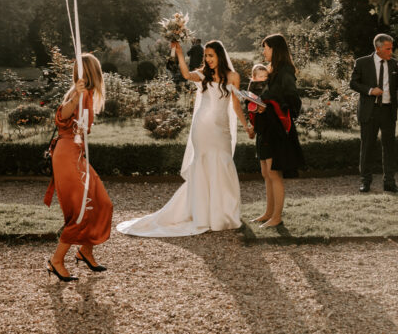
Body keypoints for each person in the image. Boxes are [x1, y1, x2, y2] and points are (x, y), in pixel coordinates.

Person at [117, 39, 250, 236]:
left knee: (222, 163)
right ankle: (202, 214)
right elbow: (186, 75)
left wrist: (247, 126)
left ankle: (223, 213)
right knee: (203, 165)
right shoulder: (203, 74)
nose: (208, 59)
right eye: (206, 56)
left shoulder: (233, 76)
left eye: (211, 56)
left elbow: (236, 105)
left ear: (220, 56)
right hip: (202, 128)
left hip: (221, 129)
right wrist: (179, 53)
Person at [43, 53, 112, 280]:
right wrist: (76, 97)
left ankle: (85, 251)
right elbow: (61, 117)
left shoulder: (89, 94)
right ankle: (56, 260)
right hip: (66, 154)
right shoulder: (78, 92)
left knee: (102, 203)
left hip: (77, 154)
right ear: (94, 72)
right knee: (81, 210)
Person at [251, 34, 304, 226]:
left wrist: (271, 104)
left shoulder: (286, 71)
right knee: (266, 172)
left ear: (275, 49)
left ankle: (277, 217)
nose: (263, 51)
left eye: (265, 47)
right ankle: (268, 213)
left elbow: (293, 100)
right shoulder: (270, 70)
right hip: (265, 126)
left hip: (277, 129)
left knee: (274, 173)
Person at [349, 33, 398, 192]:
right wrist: (369, 90)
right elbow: (353, 83)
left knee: (389, 147)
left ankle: (389, 182)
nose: (391, 51)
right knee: (367, 146)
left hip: (388, 111)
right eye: (388, 49)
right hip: (370, 110)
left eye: (391, 48)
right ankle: (365, 181)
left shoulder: (396, 64)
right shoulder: (362, 62)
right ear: (378, 48)